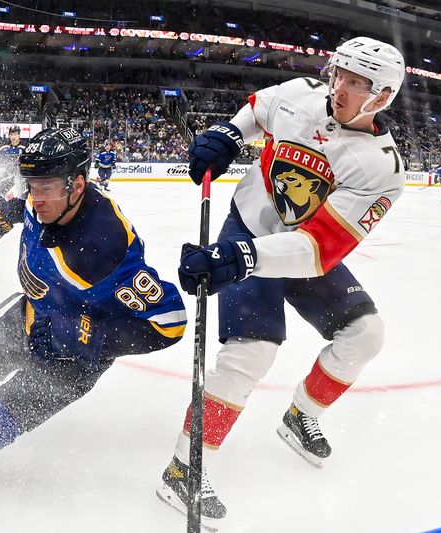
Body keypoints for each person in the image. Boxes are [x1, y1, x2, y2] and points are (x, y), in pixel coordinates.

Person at [155, 36, 405, 528]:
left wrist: (241, 258)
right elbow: (259, 108)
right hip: (249, 223)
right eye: (339, 75)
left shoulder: (381, 168)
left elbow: (317, 249)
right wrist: (228, 134)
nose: (340, 89)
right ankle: (183, 468)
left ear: (382, 96)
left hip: (298, 250)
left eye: (357, 83)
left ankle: (300, 415)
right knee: (251, 352)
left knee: (366, 333)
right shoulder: (302, 93)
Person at [0, 127, 187, 501]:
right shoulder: (47, 196)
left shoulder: (105, 249)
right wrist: (0, 214)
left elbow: (171, 322)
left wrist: (89, 337)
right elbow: (24, 201)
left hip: (72, 363)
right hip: (31, 316)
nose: (35, 197)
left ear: (78, 185)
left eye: (46, 187)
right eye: (31, 185)